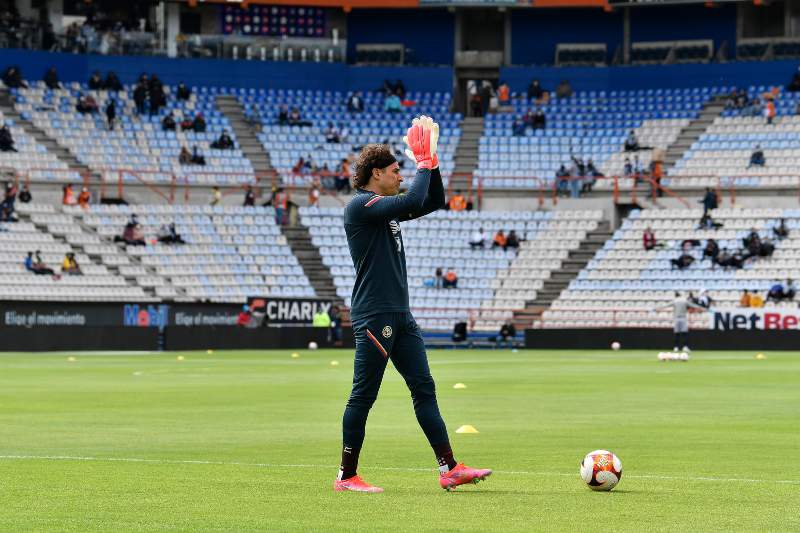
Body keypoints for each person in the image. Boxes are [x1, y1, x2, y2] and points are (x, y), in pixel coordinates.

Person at [336, 118, 490, 493]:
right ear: (376, 174)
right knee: (364, 395)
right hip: (374, 315)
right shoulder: (361, 206)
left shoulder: (384, 207)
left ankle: (449, 467)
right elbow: (413, 199)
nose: (400, 174)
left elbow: (431, 200)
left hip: (400, 316)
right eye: (394, 169)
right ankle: (347, 475)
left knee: (425, 388)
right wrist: (423, 164)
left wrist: (432, 164)